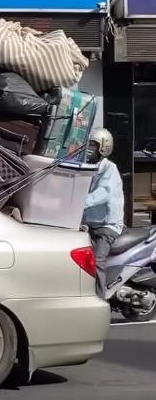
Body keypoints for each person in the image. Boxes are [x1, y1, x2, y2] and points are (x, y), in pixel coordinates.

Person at [82, 128, 125, 299]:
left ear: (103, 148)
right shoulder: (89, 167)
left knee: (97, 262)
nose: (89, 148)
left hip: (107, 227)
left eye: (93, 145)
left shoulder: (109, 169)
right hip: (90, 225)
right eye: (89, 144)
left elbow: (103, 193)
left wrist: (81, 202)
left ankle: (100, 301)